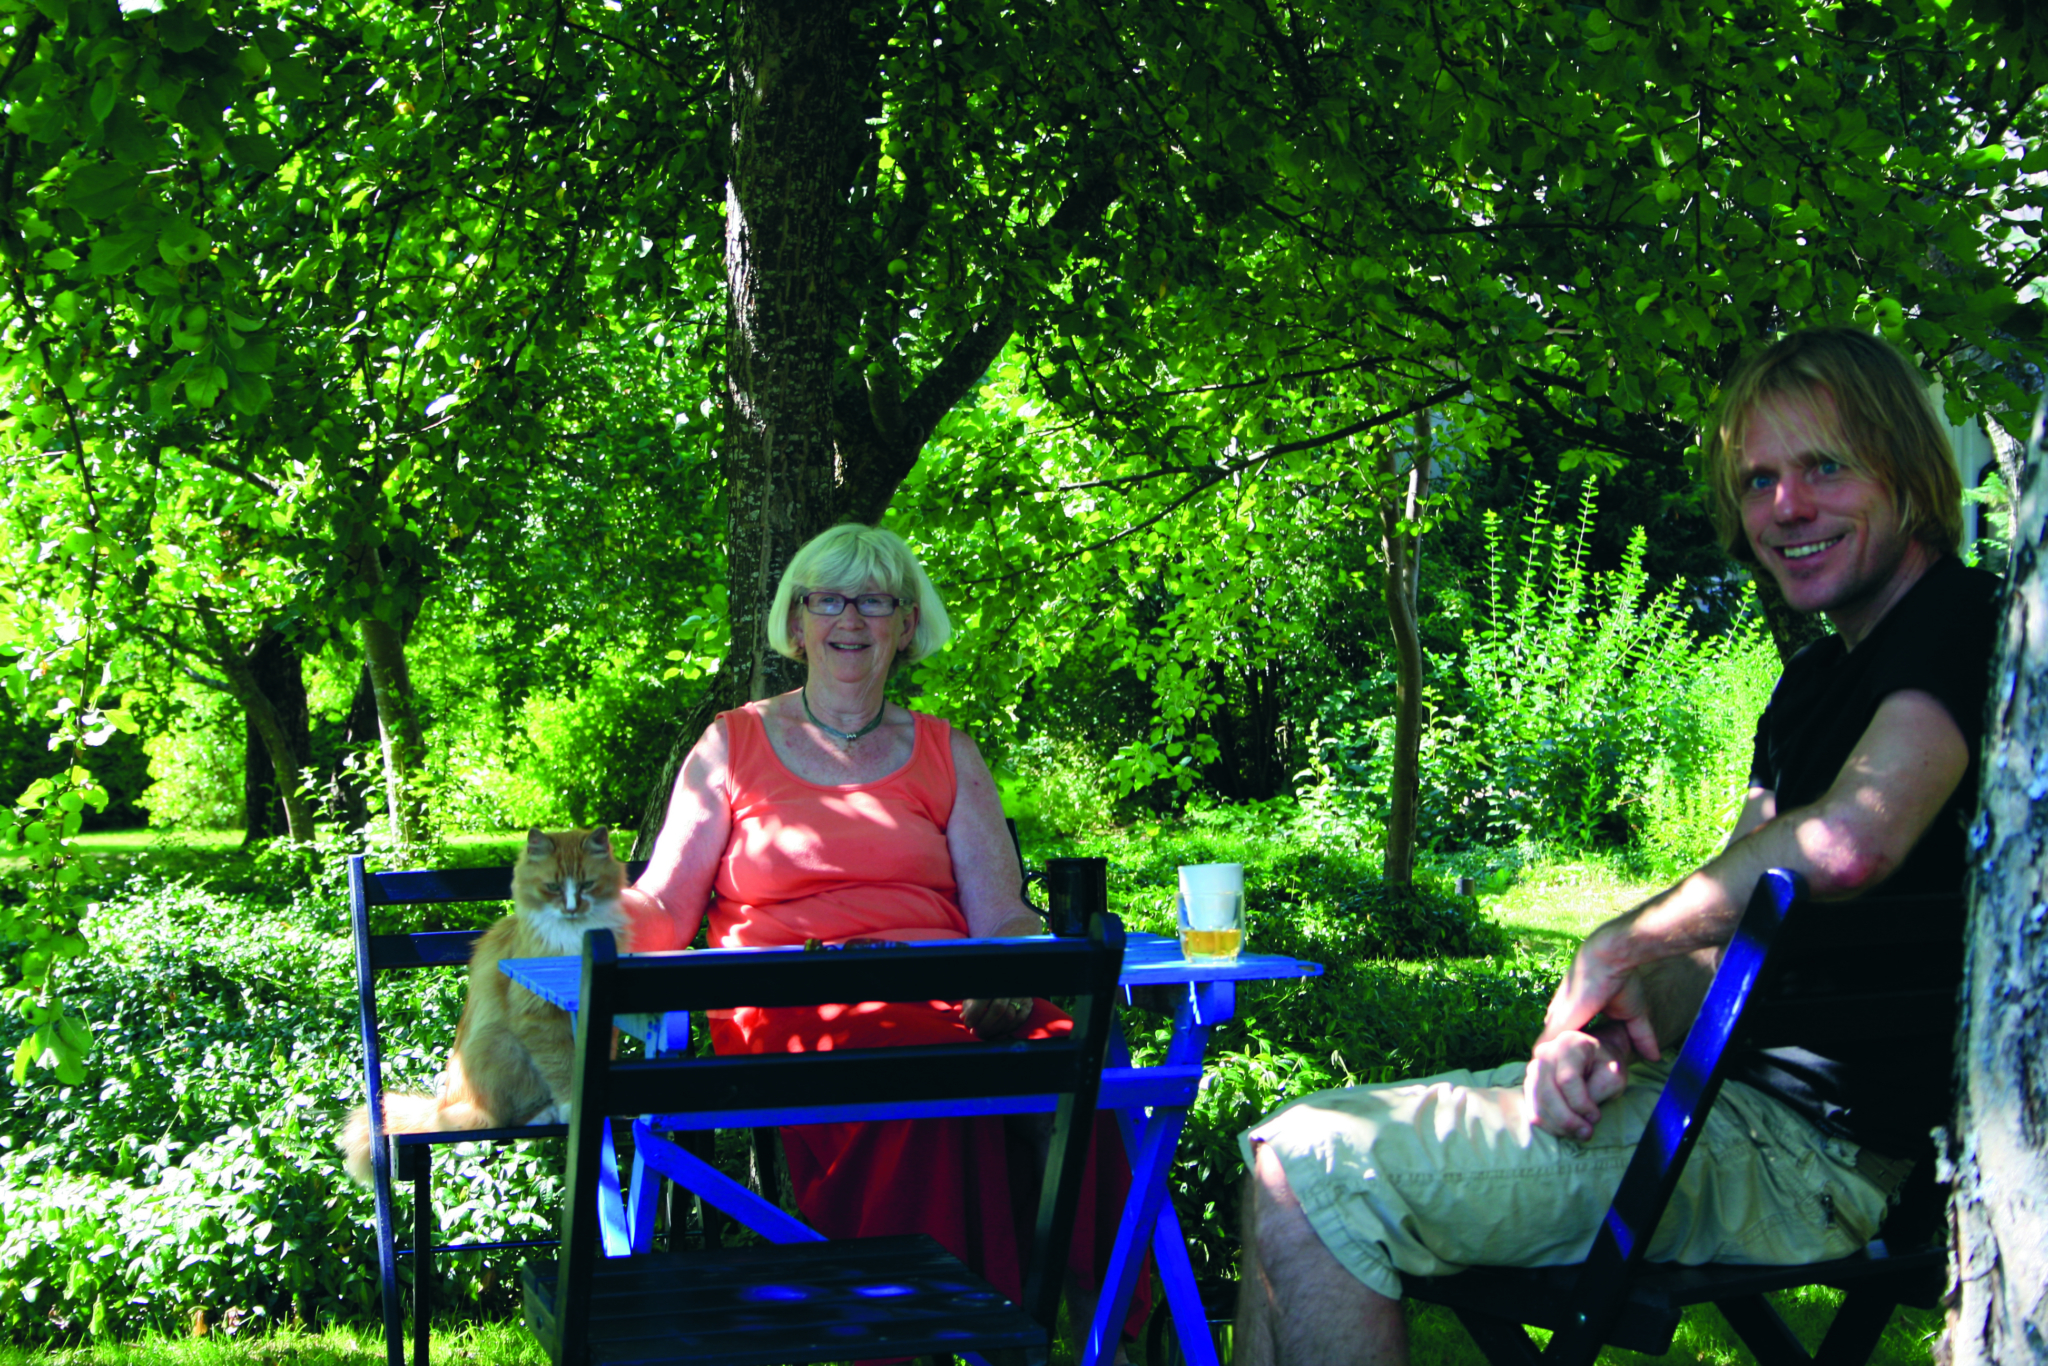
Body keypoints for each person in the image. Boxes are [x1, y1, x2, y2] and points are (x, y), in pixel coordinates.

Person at [1233, 328, 2003, 1366]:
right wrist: (1618, 1024)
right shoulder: (1811, 685)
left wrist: (1615, 942)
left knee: (1315, 1170)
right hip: (1713, 1108)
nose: (1783, 507)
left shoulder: (1962, 618)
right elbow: (1723, 931)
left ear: (1905, 472)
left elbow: (1853, 839)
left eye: (1823, 466)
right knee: (1284, 1158)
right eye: (1757, 480)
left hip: (1810, 1159)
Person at [622, 521, 1148, 1347]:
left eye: (874, 600)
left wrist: (1010, 972)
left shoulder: (947, 750)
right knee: (925, 1073)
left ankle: (1098, 1330)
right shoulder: (733, 742)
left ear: (906, 625)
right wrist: (582, 924)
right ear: (796, 624)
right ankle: (942, 1335)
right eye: (828, 599)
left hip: (943, 988)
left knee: (1067, 1057)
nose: (851, 619)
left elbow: (1003, 912)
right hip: (796, 999)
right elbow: (663, 904)